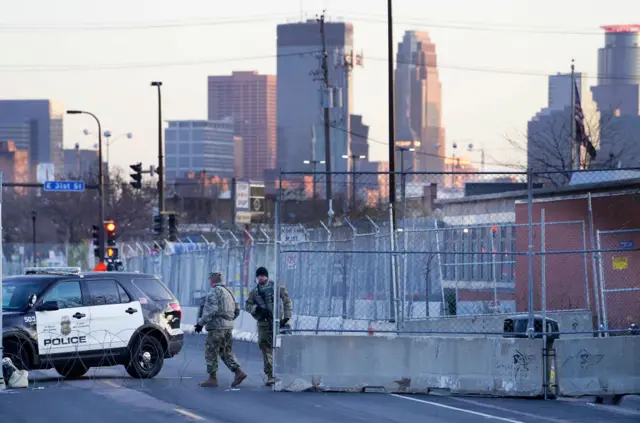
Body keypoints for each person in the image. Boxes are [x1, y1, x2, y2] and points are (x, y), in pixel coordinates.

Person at [194, 272, 247, 388]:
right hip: (228, 326)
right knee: (225, 351)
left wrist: (200, 324)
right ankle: (238, 372)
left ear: (212, 280)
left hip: (217, 327)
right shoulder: (229, 292)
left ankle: (212, 378)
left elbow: (210, 310)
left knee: (211, 351)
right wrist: (228, 320)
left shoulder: (214, 291)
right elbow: (237, 309)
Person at [245, 266, 292, 386]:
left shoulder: (276, 287)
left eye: (262, 276)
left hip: (277, 321)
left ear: (266, 276)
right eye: (258, 276)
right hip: (263, 323)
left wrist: (286, 317)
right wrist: (258, 309)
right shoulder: (255, 291)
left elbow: (287, 301)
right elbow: (248, 305)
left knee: (282, 349)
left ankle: (286, 373)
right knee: (265, 347)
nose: (260, 278)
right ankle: (270, 375)